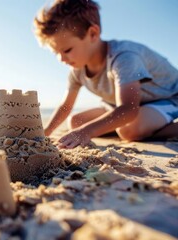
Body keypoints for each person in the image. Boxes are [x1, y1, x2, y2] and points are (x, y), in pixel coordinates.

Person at [34, 0, 178, 149]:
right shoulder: (77, 70)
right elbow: (65, 106)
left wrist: (86, 132)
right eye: (56, 52)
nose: (61, 59)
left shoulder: (124, 57)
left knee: (128, 130)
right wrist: (47, 131)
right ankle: (142, 126)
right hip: (121, 104)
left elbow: (129, 109)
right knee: (75, 122)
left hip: (167, 98)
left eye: (67, 50)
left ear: (93, 33)